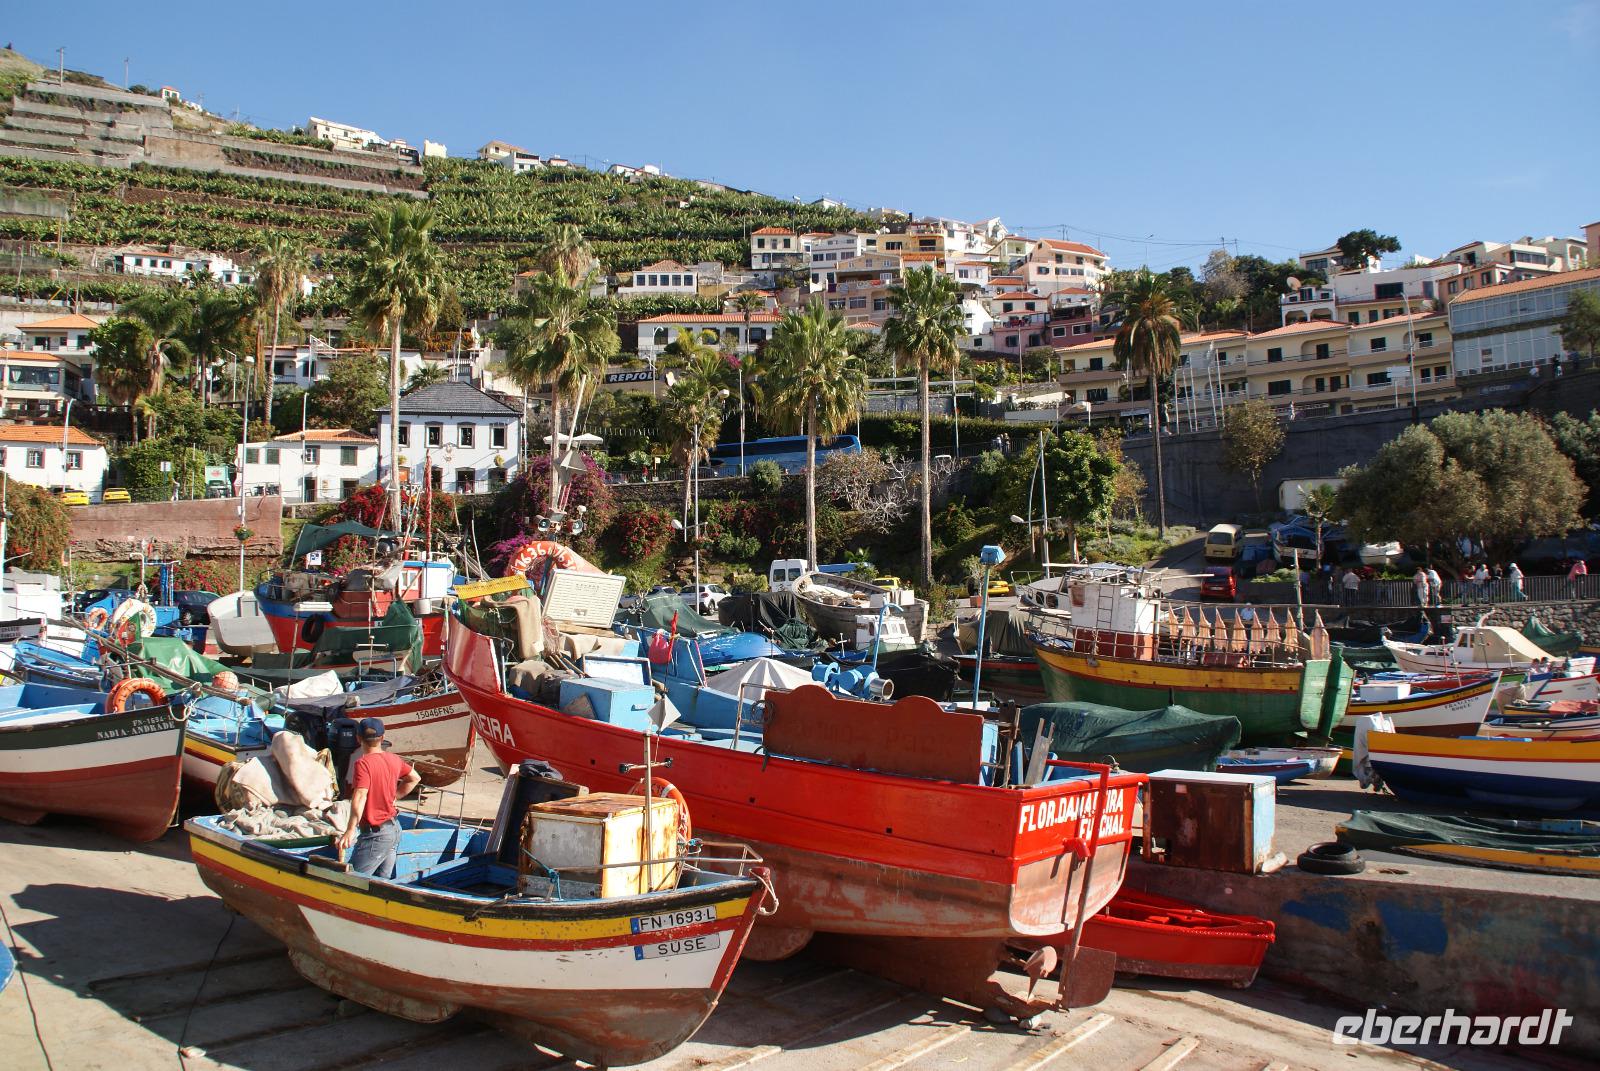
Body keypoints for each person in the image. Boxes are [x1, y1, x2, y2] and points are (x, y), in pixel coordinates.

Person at [336, 717, 420, 879]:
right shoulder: (394, 759)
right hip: (394, 829)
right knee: (381, 882)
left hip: (376, 835)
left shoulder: (363, 764)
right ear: (382, 738)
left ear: (358, 738)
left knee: (352, 881)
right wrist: (394, 797)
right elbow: (414, 778)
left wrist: (350, 830)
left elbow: (360, 795)